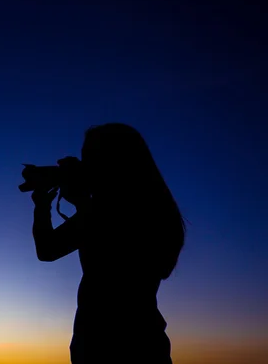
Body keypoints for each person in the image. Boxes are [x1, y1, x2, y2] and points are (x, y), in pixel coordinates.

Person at [31, 123, 185, 364]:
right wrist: (50, 205)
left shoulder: (113, 211)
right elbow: (48, 250)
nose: (86, 168)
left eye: (91, 159)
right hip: (142, 345)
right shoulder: (151, 208)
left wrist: (74, 202)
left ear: (115, 161)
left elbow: (117, 265)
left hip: (112, 349)